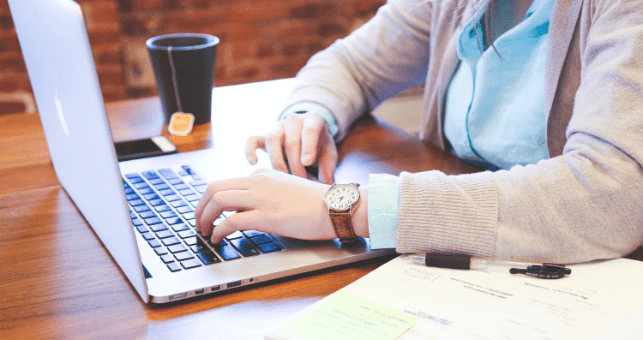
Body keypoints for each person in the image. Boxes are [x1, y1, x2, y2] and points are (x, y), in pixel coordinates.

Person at [195, 0, 643, 263]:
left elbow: (614, 192)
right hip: (466, 262)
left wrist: (345, 208)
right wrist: (310, 115)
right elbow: (351, 64)